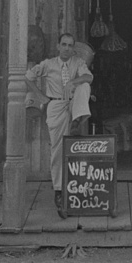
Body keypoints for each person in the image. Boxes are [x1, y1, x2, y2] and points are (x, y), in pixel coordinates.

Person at [25, 33, 93, 218]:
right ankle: (59, 191)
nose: (67, 48)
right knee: (58, 149)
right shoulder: (47, 64)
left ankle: (77, 121)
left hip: (73, 103)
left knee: (84, 86)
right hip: (55, 105)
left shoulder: (77, 62)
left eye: (70, 45)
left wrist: (73, 81)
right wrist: (39, 96)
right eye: (64, 44)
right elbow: (27, 77)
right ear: (58, 46)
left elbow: (89, 77)